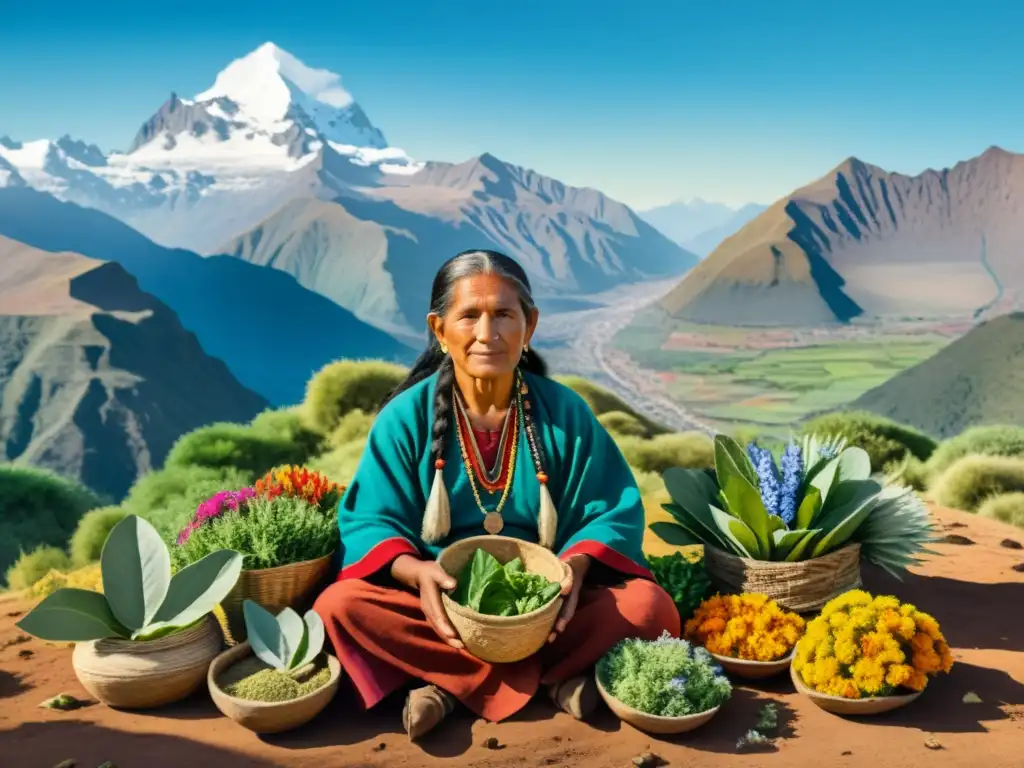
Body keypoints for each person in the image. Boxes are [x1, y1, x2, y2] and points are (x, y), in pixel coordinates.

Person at [313, 249, 679, 741]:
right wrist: (417, 571)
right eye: (469, 316)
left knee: (649, 609)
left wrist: (574, 569)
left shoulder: (565, 413)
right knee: (340, 607)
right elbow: (370, 521)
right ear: (440, 331)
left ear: (529, 325)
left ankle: (443, 684)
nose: (488, 333)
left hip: (545, 609)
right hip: (439, 608)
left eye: (504, 315)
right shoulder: (405, 419)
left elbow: (609, 510)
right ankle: (553, 682)